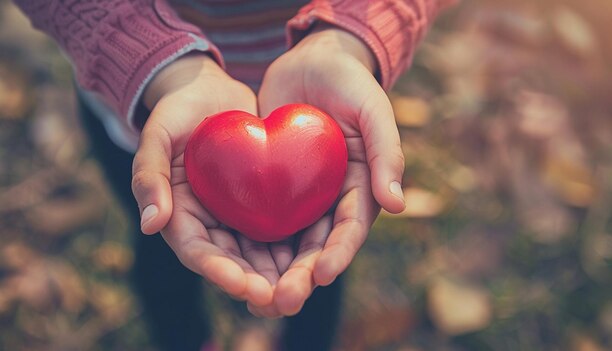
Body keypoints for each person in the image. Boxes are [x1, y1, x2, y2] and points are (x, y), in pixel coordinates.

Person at [13, 0, 452, 350]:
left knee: (319, 268)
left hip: (323, 110)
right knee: (160, 237)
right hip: (146, 98)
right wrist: (152, 58)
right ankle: (186, 341)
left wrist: (350, 36)